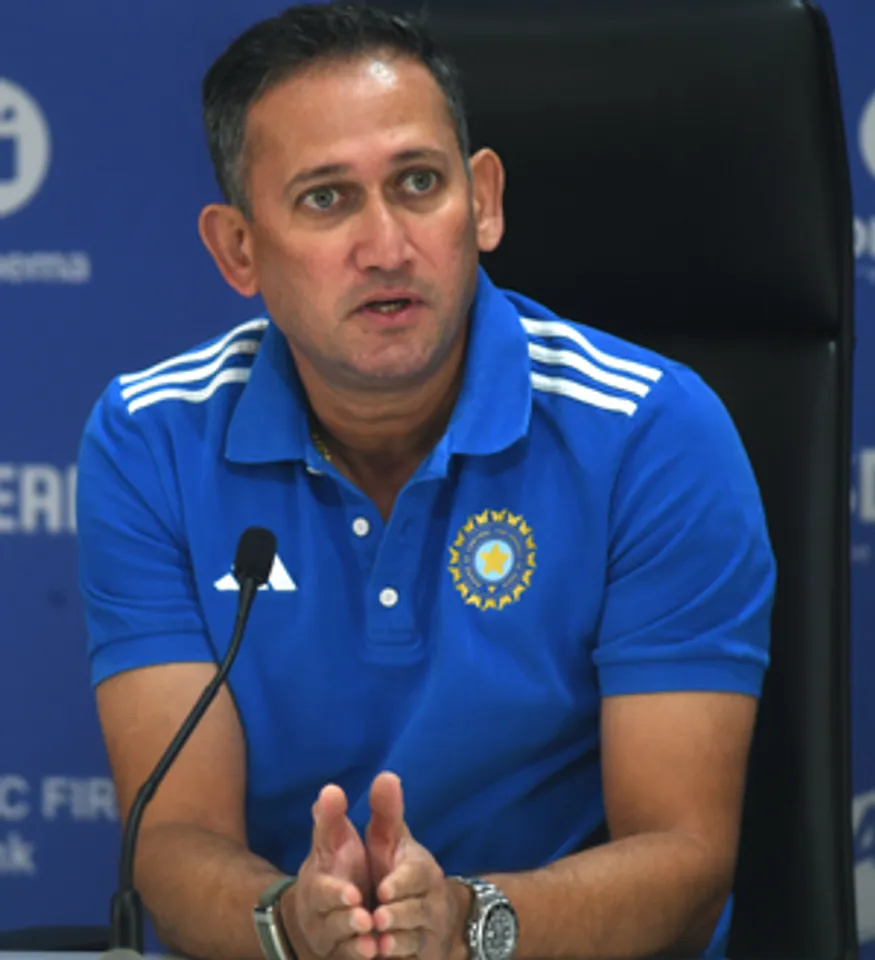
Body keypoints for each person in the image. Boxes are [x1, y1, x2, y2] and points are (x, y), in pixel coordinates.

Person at [76, 4, 776, 960]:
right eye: (326, 199)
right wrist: (288, 922)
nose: (388, 245)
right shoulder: (151, 438)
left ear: (481, 201)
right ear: (238, 249)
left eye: (417, 183)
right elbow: (174, 835)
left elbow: (685, 858)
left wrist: (465, 922)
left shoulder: (654, 431)